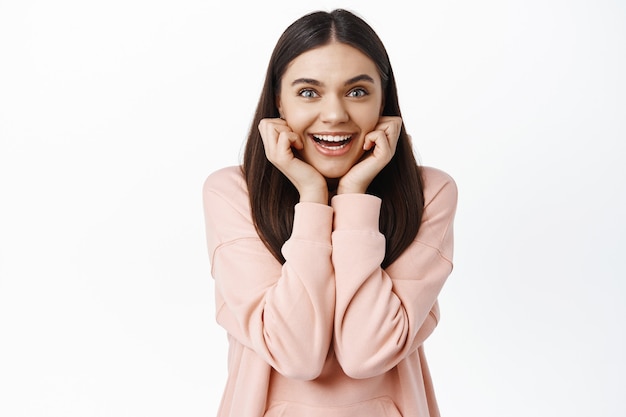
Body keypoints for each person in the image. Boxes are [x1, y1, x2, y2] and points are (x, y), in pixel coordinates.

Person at [202, 8, 457, 417]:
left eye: (357, 92)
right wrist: (312, 197)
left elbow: (366, 352)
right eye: (308, 92)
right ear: (279, 103)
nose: (336, 114)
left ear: (383, 103)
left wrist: (355, 195)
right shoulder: (234, 194)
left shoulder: (428, 194)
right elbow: (296, 356)